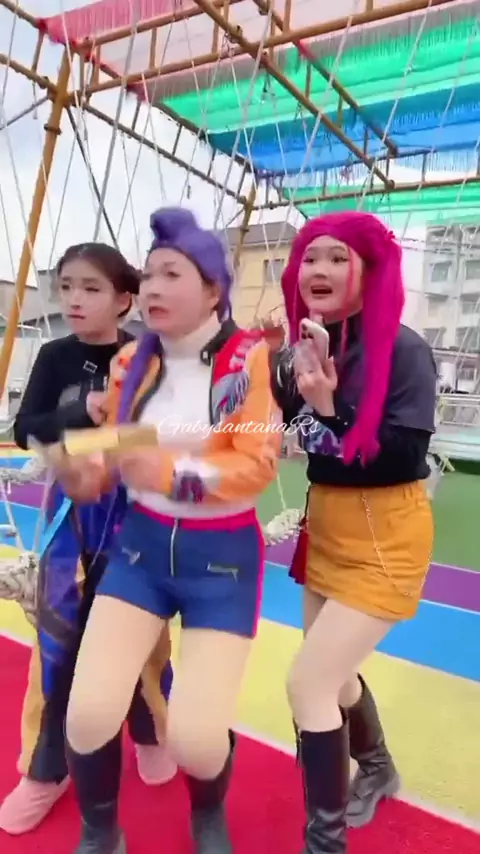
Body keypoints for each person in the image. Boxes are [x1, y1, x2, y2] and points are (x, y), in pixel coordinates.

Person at [48, 207, 281, 854]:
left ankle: (208, 810)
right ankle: (101, 832)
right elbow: (122, 442)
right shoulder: (132, 360)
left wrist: (175, 475)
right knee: (88, 714)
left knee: (196, 740)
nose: (151, 287)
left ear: (212, 289)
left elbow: (258, 463)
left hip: (222, 560)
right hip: (141, 551)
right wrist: (87, 466)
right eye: (147, 275)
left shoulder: (248, 360)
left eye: (170, 274)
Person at [270, 212, 436, 853]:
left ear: (369, 270)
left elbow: (403, 456)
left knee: (307, 683)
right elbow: (274, 428)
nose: (319, 269)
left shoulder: (404, 350)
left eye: (338, 257)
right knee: (335, 680)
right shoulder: (304, 349)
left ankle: (325, 843)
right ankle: (378, 767)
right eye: (310, 258)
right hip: (328, 526)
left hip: (385, 531)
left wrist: (329, 409)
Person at [0, 243, 176, 837]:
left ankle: (151, 731)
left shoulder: (152, 356)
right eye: (67, 286)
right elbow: (27, 428)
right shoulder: (55, 355)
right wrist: (83, 412)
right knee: (58, 639)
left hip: (138, 515)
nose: (74, 299)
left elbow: (168, 435)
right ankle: (45, 770)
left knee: (144, 637)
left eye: (91, 288)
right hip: (71, 517)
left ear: (125, 300)